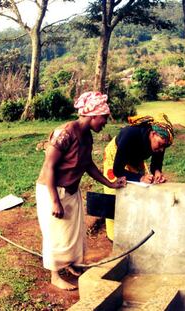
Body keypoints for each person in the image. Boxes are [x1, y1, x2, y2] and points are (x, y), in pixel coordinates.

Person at [36, 91, 126, 290]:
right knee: (55, 233)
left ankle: (69, 264)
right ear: (93, 115)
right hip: (53, 190)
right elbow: (49, 167)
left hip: (71, 190)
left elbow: (88, 164)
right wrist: (54, 201)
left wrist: (110, 184)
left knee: (73, 232)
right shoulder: (65, 133)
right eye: (103, 118)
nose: (104, 123)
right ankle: (54, 274)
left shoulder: (86, 135)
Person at [103, 114, 174, 240]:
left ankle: (134, 231)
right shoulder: (130, 134)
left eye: (165, 147)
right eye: (160, 145)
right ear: (152, 134)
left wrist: (157, 172)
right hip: (116, 157)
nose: (161, 149)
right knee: (115, 194)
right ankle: (113, 237)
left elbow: (156, 163)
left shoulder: (161, 141)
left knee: (141, 192)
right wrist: (140, 178)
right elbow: (117, 170)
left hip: (135, 159)